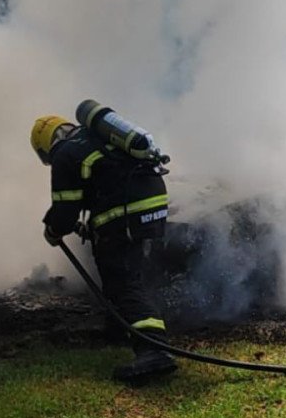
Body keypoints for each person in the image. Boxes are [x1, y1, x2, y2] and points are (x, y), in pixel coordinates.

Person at [30, 114, 178, 383]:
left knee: (123, 282)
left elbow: (65, 209)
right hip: (153, 198)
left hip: (126, 209)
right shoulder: (97, 136)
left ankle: (154, 348)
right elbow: (102, 185)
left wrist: (53, 230)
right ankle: (122, 328)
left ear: (45, 146)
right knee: (125, 272)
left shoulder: (64, 153)